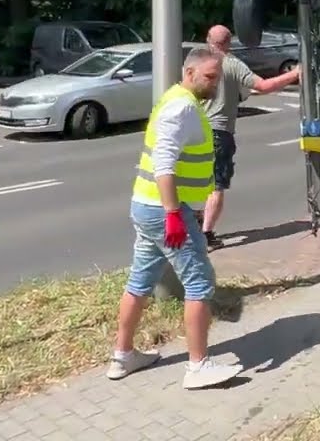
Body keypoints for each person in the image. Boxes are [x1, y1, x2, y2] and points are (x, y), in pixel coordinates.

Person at [107, 46, 240, 389]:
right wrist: (173, 216)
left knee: (140, 280)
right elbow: (164, 165)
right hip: (165, 210)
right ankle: (198, 367)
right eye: (210, 77)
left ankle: (122, 357)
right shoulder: (182, 107)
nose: (215, 84)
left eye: (218, 78)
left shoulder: (180, 99)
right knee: (200, 283)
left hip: (149, 206)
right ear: (190, 72)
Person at [200, 25, 301, 247]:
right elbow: (264, 86)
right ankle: (205, 234)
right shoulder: (232, 64)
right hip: (219, 131)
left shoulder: (196, 60)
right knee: (217, 184)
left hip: (195, 131)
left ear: (208, 40)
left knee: (193, 179)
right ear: (228, 43)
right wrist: (294, 74)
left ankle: (193, 220)